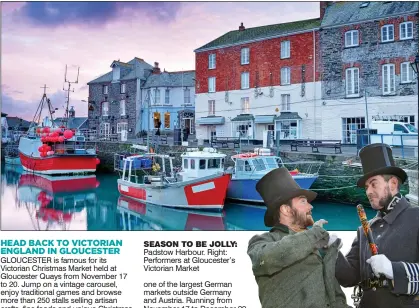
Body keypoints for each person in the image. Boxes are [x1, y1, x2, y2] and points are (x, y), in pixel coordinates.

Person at [247, 167, 350, 308]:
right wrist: (313, 234)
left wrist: (332, 252)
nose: (310, 206)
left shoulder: (318, 245)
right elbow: (267, 258)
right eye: (303, 201)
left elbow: (334, 295)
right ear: (286, 210)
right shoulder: (263, 241)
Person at [334, 143, 419, 308]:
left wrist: (394, 270)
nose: (368, 192)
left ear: (393, 184)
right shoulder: (365, 229)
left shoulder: (416, 217)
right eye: (366, 187)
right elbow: (349, 277)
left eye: (374, 184)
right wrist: (331, 251)